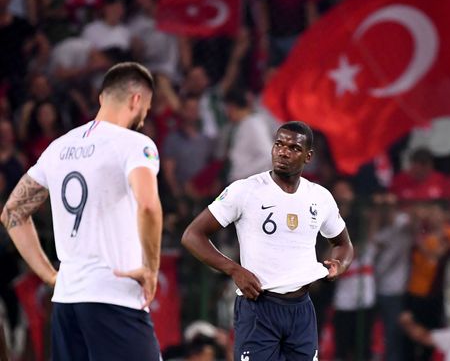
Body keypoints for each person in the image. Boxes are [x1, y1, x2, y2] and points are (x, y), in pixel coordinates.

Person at [0, 62, 163, 359]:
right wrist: (151, 270)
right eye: (147, 108)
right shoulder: (135, 144)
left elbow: (12, 213)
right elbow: (149, 205)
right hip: (115, 296)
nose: (144, 117)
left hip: (67, 301)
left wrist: (51, 276)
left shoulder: (58, 147)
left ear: (102, 98)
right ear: (137, 100)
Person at [181, 121, 354, 361]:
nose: (283, 151)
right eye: (279, 144)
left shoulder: (320, 197)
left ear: (308, 156)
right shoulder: (245, 190)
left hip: (301, 309)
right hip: (258, 308)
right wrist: (233, 269)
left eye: (293, 148)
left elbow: (343, 244)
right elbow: (192, 235)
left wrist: (339, 264)